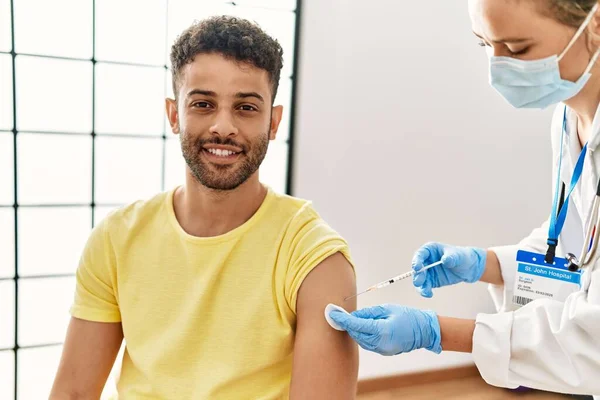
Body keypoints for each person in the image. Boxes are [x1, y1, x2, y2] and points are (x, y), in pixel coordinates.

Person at [49, 16, 358, 399]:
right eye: (203, 104)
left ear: (273, 122)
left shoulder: (315, 257)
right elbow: (73, 393)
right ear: (174, 114)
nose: (223, 126)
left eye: (245, 107)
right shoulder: (116, 239)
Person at [329, 0, 600, 398]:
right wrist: (485, 265)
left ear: (595, 24)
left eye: (518, 49)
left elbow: (592, 337)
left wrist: (436, 332)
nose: (497, 69)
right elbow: (579, 249)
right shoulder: (569, 120)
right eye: (484, 45)